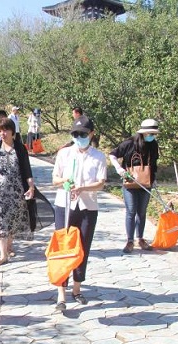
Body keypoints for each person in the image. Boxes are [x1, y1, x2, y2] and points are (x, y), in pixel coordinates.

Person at [51, 116, 107, 311]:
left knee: (82, 247)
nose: (79, 137)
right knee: (63, 248)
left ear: (91, 134)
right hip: (64, 205)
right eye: (75, 134)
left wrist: (83, 188)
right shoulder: (64, 154)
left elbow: (101, 183)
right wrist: (65, 180)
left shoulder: (99, 157)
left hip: (87, 207)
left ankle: (77, 288)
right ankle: (61, 294)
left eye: (82, 134)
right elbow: (55, 179)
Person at [0, 118, 35, 266]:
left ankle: (9, 246)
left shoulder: (20, 148)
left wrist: (31, 187)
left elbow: (26, 170)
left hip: (16, 193)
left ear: (12, 131)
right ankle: (3, 255)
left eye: (5, 130)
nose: (2, 134)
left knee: (12, 221)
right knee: (0, 223)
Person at [108, 118, 160, 253]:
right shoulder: (129, 143)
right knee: (131, 211)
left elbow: (153, 164)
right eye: (150, 133)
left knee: (142, 212)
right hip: (130, 183)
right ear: (143, 132)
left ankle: (140, 238)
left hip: (146, 183)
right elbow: (112, 155)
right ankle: (129, 241)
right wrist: (119, 169)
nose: (152, 136)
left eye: (153, 134)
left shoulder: (153, 145)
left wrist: (154, 179)